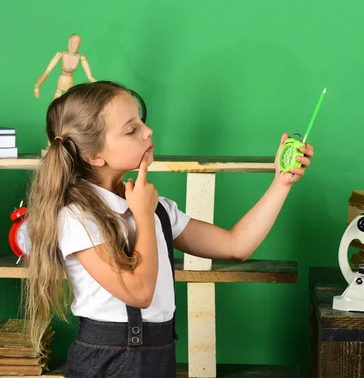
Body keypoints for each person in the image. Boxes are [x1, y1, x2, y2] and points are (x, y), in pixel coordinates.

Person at [23, 81, 314, 378]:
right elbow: (138, 293)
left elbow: (236, 245)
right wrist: (144, 216)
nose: (147, 131)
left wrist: (281, 183)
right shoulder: (78, 218)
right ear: (94, 156)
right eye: (131, 129)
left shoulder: (155, 207)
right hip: (108, 362)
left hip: (158, 355)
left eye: (142, 121)